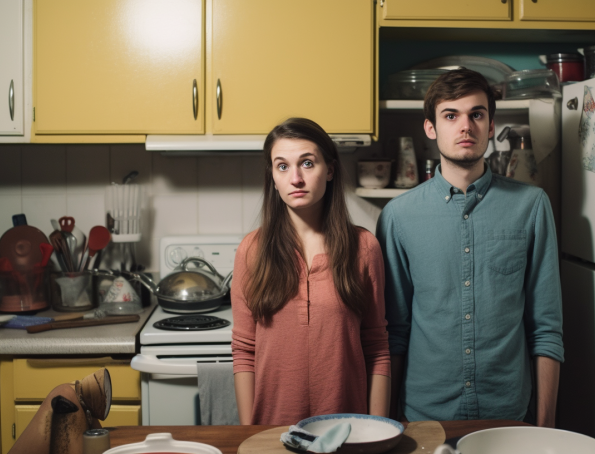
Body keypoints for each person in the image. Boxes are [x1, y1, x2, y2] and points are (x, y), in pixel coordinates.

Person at [376, 68, 564, 426]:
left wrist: (545, 428)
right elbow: (394, 332)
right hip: (425, 416)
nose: (466, 126)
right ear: (430, 128)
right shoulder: (397, 217)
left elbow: (546, 328)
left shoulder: (532, 206)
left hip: (508, 414)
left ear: (491, 126)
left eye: (476, 114)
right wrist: (388, 425)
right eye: (451, 115)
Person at [231, 117, 391, 425]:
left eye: (307, 163)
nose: (295, 179)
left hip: (348, 432)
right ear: (273, 177)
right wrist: (248, 434)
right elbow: (244, 352)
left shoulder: (364, 247)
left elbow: (377, 347)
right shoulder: (252, 250)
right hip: (272, 434)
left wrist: (377, 432)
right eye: (282, 166)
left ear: (329, 170)